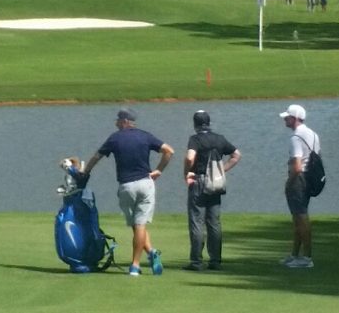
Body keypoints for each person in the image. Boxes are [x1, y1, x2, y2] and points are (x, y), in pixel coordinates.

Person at [82, 108, 174, 276]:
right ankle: (151, 253)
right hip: (146, 184)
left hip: (126, 187)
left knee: (136, 225)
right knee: (140, 225)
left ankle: (135, 265)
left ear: (125, 121)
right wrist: (159, 170)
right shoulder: (145, 135)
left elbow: (96, 157)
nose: (116, 123)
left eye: (118, 120)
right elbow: (169, 151)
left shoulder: (115, 138)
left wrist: (85, 172)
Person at [183, 110, 241, 271]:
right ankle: (215, 260)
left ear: (195, 124)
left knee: (197, 221)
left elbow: (190, 157)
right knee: (214, 222)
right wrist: (222, 169)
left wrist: (187, 172)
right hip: (216, 183)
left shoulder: (195, 139)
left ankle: (196, 261)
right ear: (208, 122)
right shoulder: (219, 139)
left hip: (199, 182)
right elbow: (236, 155)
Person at [279, 104, 319, 269]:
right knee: (298, 217)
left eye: (287, 117)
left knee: (301, 218)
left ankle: (306, 258)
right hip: (310, 178)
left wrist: (288, 184)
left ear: (294, 119)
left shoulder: (296, 137)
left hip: (299, 179)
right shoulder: (313, 134)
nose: (285, 120)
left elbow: (296, 166)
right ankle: (295, 255)